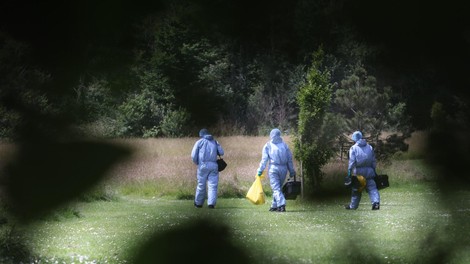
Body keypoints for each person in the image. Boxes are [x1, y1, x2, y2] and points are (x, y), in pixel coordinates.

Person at [256, 128, 296, 212]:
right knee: (278, 188)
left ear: (271, 135)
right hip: (284, 169)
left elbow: (264, 160)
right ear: (279, 135)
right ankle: (274, 206)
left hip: (273, 168)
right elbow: (289, 159)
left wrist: (260, 170)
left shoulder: (268, 145)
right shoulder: (284, 145)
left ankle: (281, 205)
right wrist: (291, 171)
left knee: (276, 188)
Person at [344, 131, 380, 210]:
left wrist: (349, 173)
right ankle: (376, 203)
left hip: (358, 173)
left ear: (354, 139)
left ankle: (353, 206)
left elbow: (352, 162)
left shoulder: (353, 148)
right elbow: (373, 161)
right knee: (372, 188)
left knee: (356, 189)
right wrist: (374, 171)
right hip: (370, 171)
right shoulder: (369, 147)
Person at [191, 128, 224, 209]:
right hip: (214, 166)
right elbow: (222, 153)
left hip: (202, 165)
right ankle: (211, 204)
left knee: (201, 185)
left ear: (201, 135)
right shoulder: (215, 141)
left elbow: (193, 155)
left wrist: (197, 163)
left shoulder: (199, 142)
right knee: (213, 185)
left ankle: (198, 204)